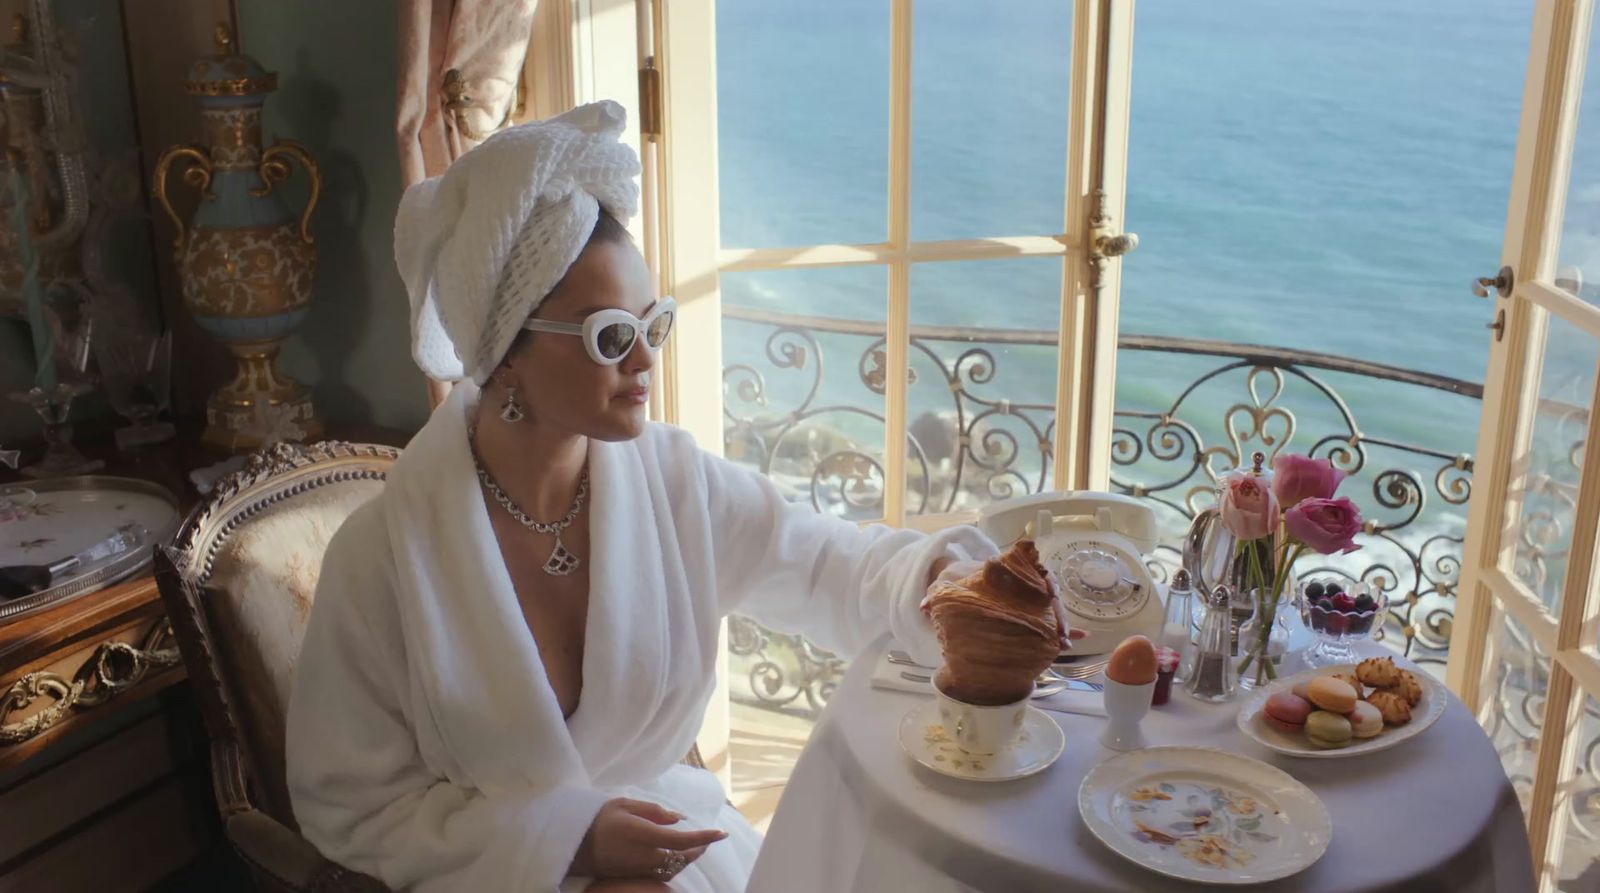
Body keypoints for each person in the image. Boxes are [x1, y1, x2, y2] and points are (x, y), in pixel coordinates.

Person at [285, 102, 1014, 892]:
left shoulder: (676, 486)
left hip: (675, 862)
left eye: (653, 324)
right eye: (607, 335)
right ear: (506, 357)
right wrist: (565, 841)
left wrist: (943, 582)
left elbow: (823, 564)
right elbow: (352, 806)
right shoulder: (383, 557)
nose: (644, 360)